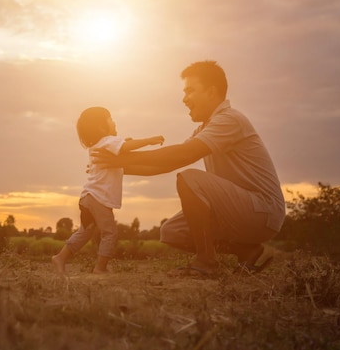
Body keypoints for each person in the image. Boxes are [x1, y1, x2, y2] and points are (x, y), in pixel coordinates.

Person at [92, 61, 285, 278]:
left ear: (211, 92)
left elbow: (183, 153)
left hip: (263, 211)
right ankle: (246, 251)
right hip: (239, 210)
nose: (184, 99)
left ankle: (206, 262)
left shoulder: (229, 120)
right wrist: (114, 167)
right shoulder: (206, 128)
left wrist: (123, 157)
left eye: (190, 91)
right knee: (172, 232)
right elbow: (168, 163)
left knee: (190, 178)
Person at [52, 106, 165, 274]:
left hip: (88, 196)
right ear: (100, 127)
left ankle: (60, 258)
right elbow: (125, 146)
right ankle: (100, 268)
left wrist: (126, 142)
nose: (114, 121)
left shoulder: (102, 144)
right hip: (98, 198)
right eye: (110, 118)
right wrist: (148, 140)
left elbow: (123, 147)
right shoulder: (108, 141)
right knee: (110, 232)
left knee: (85, 232)